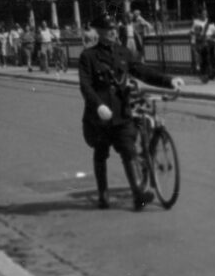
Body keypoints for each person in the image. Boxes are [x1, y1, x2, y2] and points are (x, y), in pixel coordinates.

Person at [79, 14, 184, 211]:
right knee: (101, 153)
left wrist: (169, 81)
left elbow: (142, 71)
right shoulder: (88, 57)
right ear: (99, 32)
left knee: (129, 151)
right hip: (100, 117)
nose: (112, 32)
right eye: (108, 29)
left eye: (113, 28)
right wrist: (98, 106)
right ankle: (103, 194)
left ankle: (138, 196)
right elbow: (86, 86)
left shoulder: (123, 52)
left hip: (121, 113)